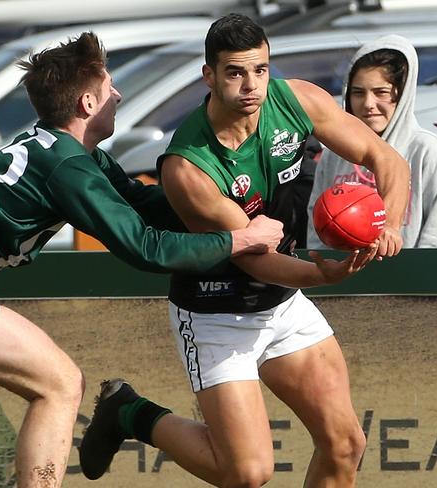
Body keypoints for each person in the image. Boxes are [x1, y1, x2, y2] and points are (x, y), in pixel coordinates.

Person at [0, 32, 288, 488]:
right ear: (86, 103)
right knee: (60, 384)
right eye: (108, 87)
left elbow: (147, 207)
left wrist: (212, 184)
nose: (118, 95)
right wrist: (239, 240)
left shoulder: (66, 151)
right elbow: (146, 248)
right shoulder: (68, 166)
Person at [79, 14, 410, 488]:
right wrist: (325, 276)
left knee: (345, 444)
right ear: (208, 76)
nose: (251, 85)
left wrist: (390, 224)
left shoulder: (295, 99)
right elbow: (255, 256)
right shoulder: (187, 166)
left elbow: (385, 158)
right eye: (235, 72)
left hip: (282, 301)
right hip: (217, 312)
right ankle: (126, 411)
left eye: (260, 70)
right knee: (248, 473)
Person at [307, 34, 437, 249]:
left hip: (412, 280)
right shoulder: (334, 153)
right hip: (346, 280)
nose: (369, 103)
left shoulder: (427, 151)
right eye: (358, 93)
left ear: (402, 95)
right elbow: (317, 230)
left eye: (381, 92)